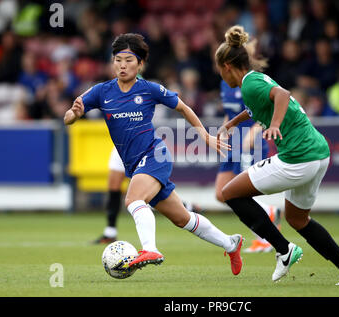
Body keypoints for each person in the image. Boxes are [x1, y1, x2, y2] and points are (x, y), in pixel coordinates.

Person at [64, 33, 243, 275]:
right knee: (183, 219)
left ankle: (151, 249)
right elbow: (69, 117)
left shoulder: (149, 89)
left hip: (155, 155)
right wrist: (73, 115)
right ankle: (231, 243)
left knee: (133, 200)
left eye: (128, 60)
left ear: (140, 64)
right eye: (118, 60)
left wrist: (203, 134)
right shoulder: (101, 92)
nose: (122, 65)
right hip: (134, 164)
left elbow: (183, 106)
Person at [214, 25, 339, 286]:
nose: (219, 74)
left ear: (227, 65)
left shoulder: (249, 85)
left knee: (229, 193)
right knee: (298, 219)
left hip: (298, 158)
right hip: (318, 154)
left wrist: (274, 124)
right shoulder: (254, 79)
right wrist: (232, 123)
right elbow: (256, 108)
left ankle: (284, 250)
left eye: (219, 69)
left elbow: (282, 95)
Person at [216, 78, 282, 253]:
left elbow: (264, 108)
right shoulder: (225, 82)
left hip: (251, 143)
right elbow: (230, 112)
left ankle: (264, 239)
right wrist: (224, 129)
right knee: (221, 193)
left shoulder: (249, 81)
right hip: (233, 142)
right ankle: (268, 211)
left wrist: (254, 132)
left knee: (242, 194)